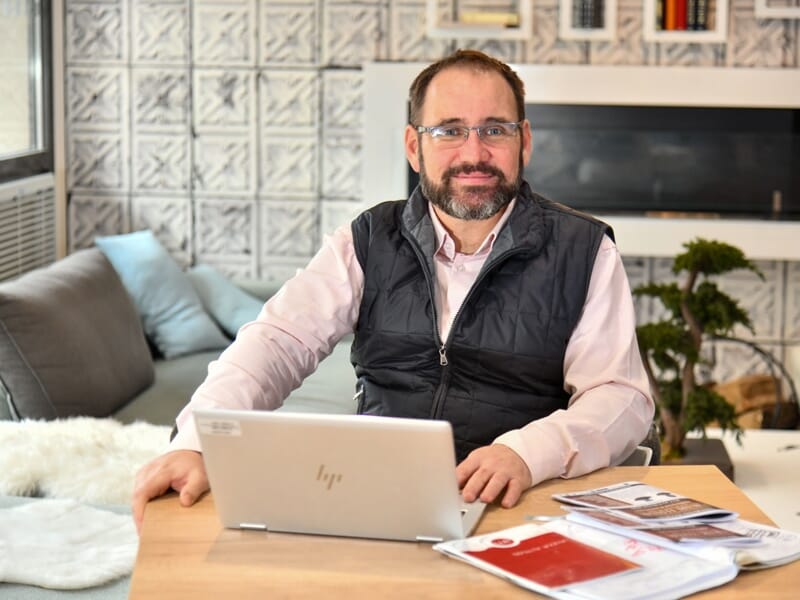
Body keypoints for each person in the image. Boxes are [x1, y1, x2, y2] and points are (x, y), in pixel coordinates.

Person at [132, 49, 654, 531]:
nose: (474, 152)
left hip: (518, 501)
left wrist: (527, 452)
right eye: (449, 131)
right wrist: (201, 444)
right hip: (378, 499)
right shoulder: (365, 239)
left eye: (494, 129)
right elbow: (275, 343)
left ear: (525, 141)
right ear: (414, 146)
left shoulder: (585, 249)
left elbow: (620, 396)